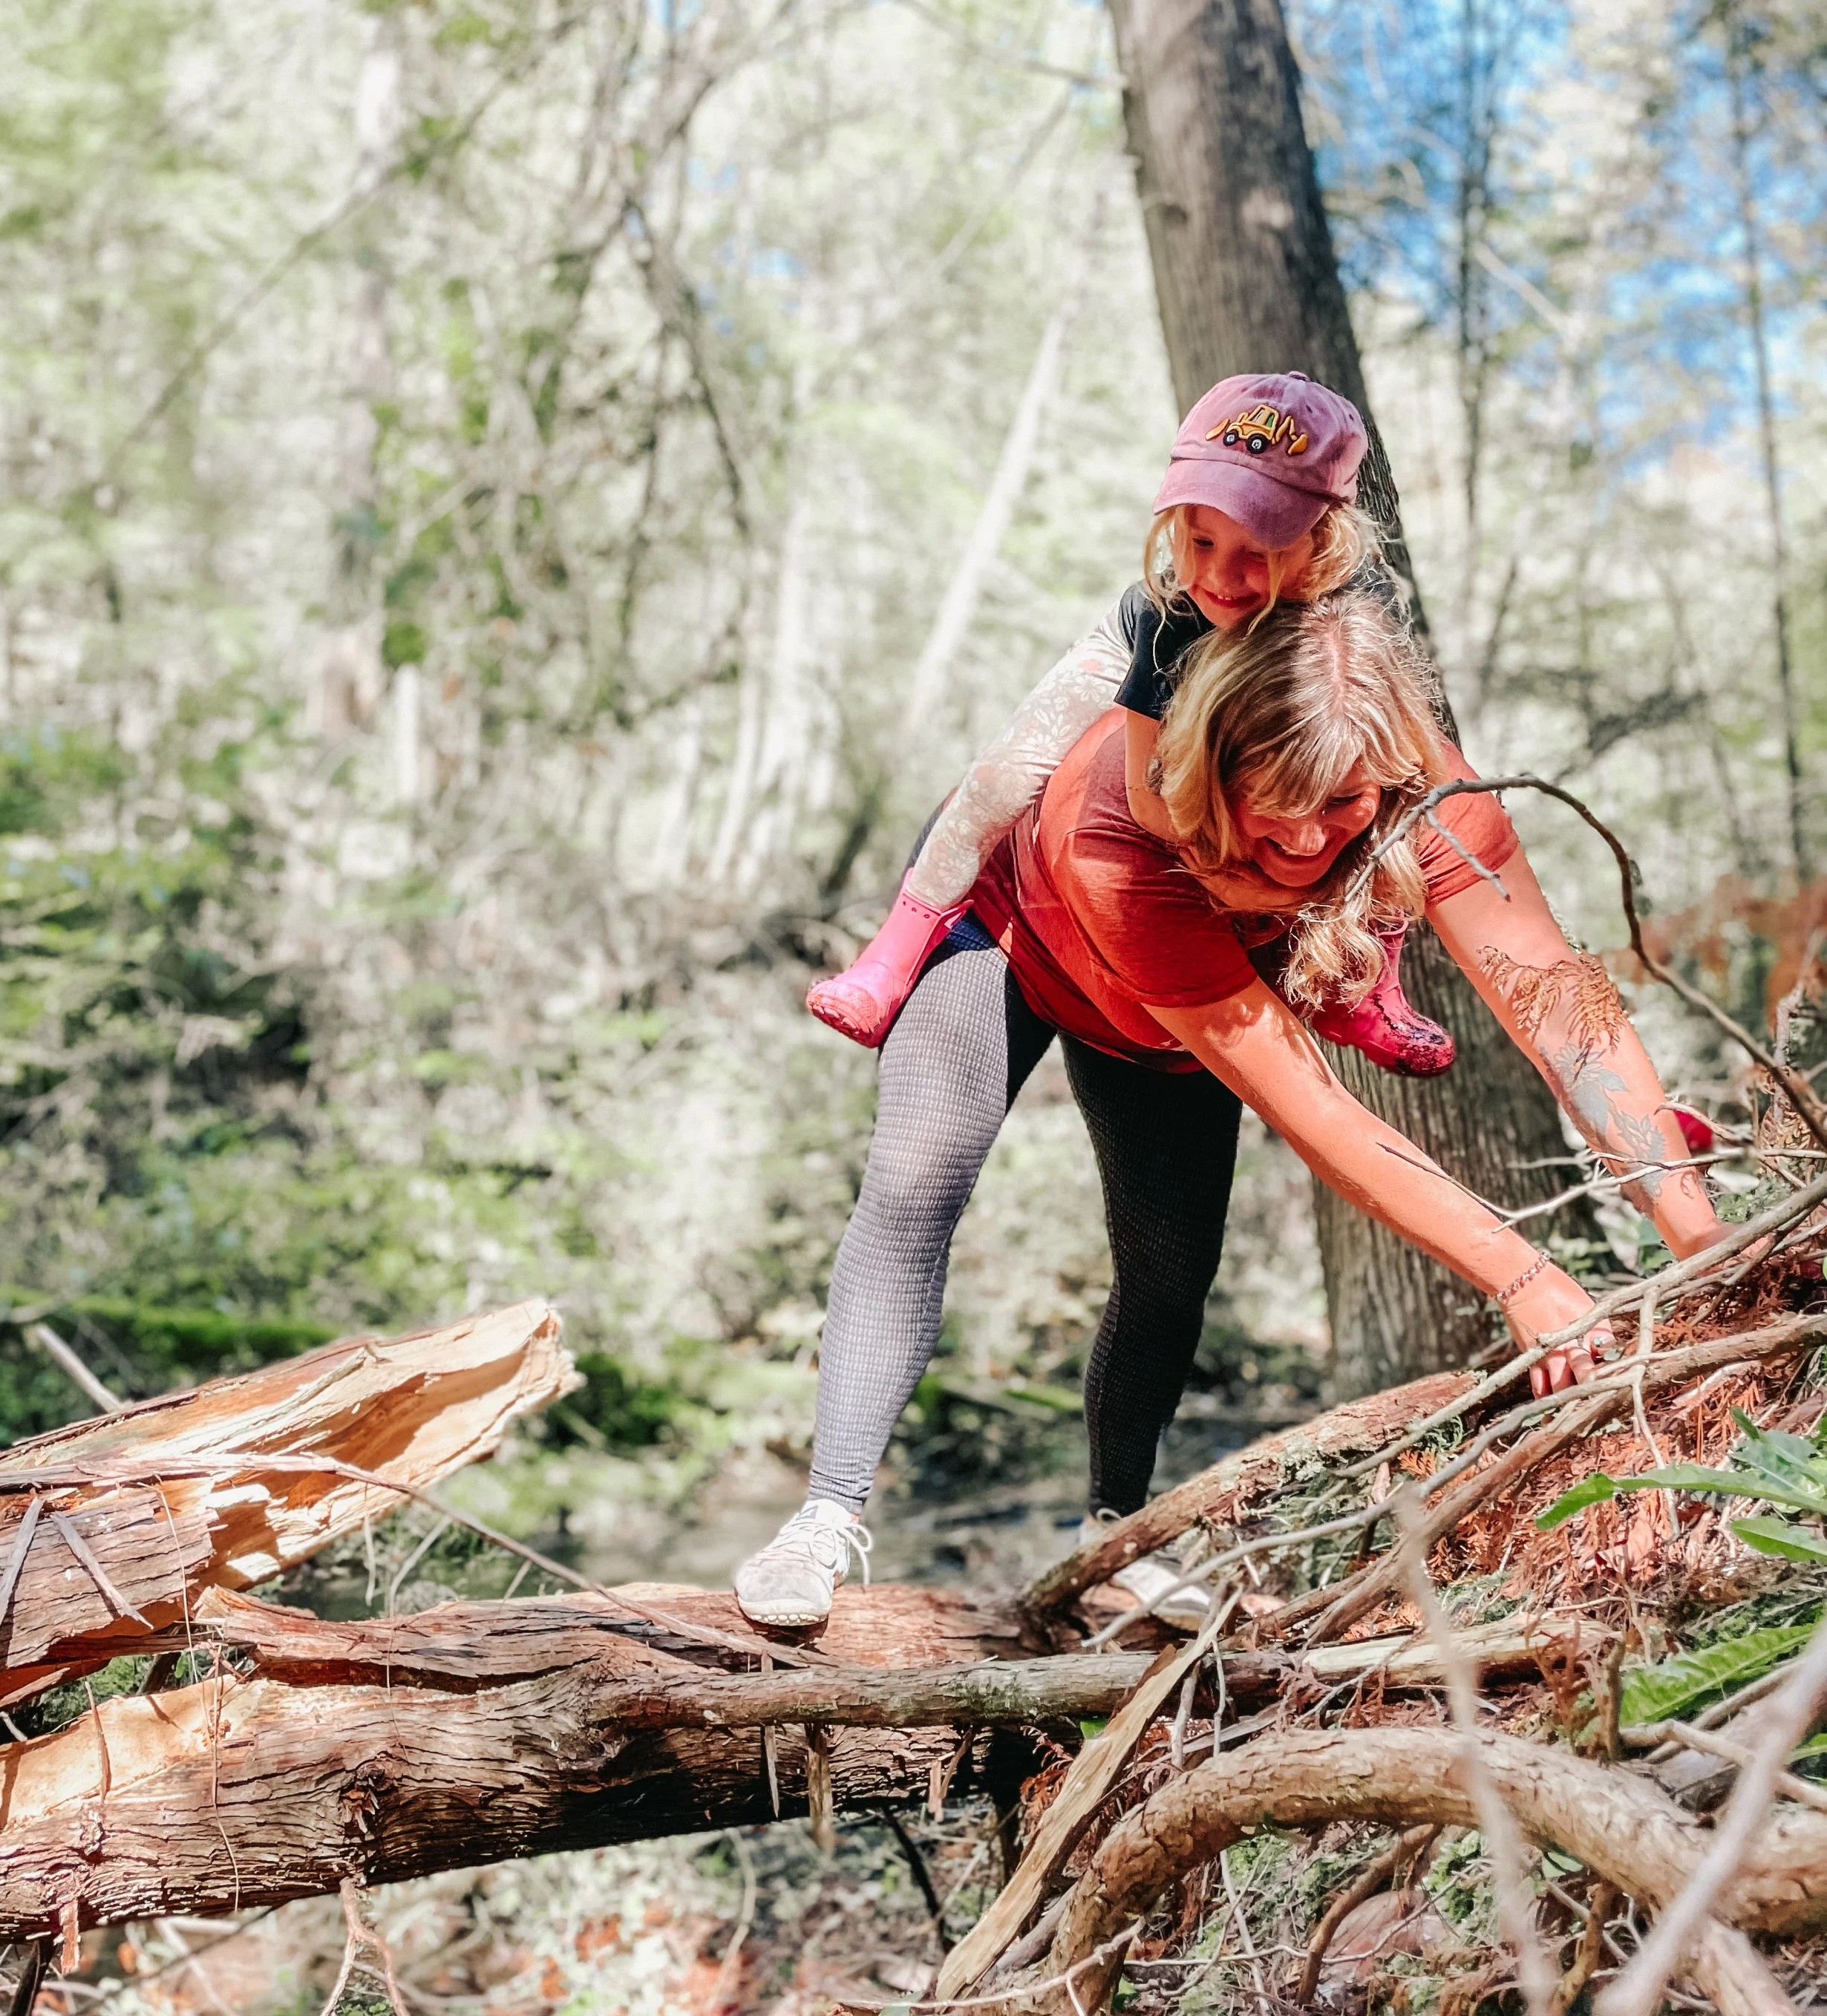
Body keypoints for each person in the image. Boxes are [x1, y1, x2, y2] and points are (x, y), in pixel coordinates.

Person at [735, 589, 1728, 1630]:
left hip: (1156, 1014)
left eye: (1342, 804)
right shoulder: (1124, 826)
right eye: (1275, 798)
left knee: (1170, 1271)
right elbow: (1316, 1112)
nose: (1304, 837)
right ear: (1215, 764)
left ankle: (1113, 1534)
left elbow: (1564, 1006)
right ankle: (824, 1515)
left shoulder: (1434, 800)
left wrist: (1700, 1241)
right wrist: (1525, 1276)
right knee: (916, 1182)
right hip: (1005, 933)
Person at [807, 371, 1454, 1078]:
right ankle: (900, 943)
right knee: (1004, 776)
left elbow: (1402, 770)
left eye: (1257, 555)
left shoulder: (1360, 607)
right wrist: (1255, 885)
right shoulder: (1174, 610)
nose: (1222, 577)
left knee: (1397, 789)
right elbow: (1150, 798)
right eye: (1200, 541)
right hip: (1149, 659)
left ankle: (1373, 985)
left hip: (1293, 687)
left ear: (1322, 537)